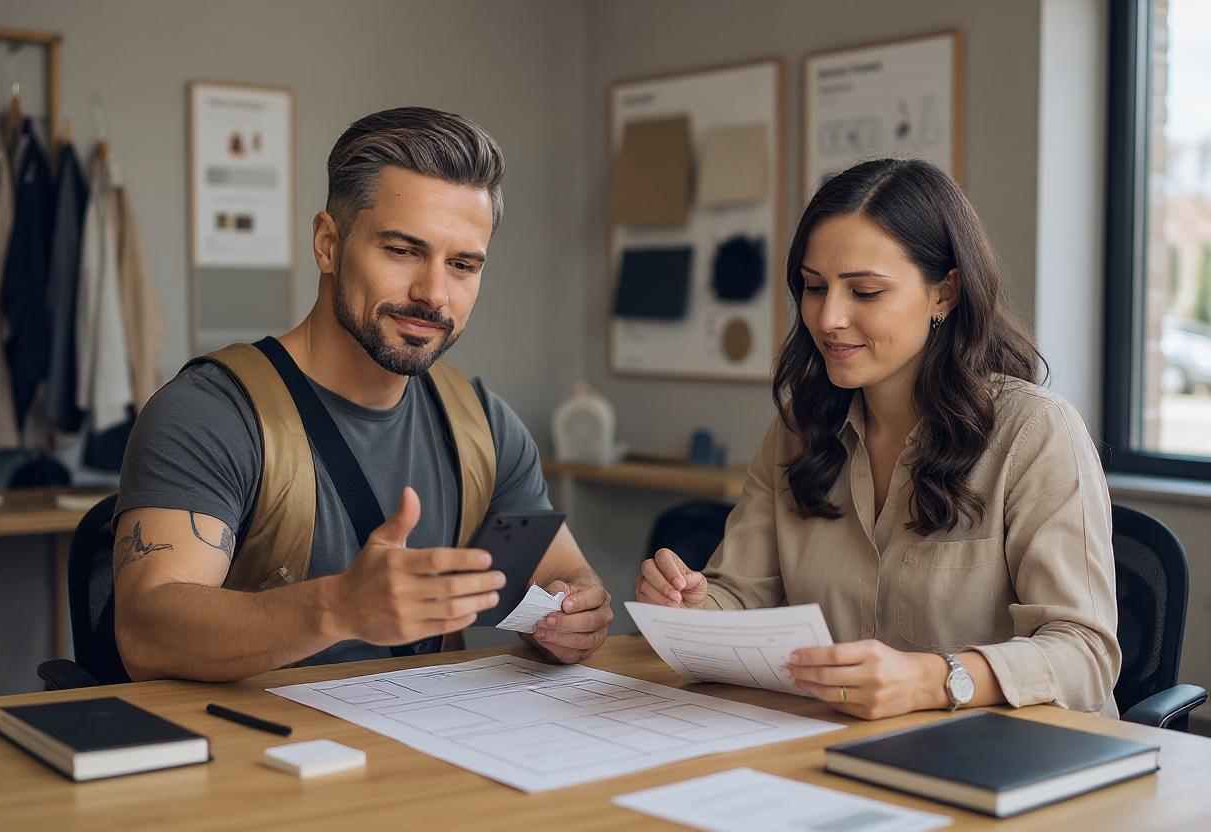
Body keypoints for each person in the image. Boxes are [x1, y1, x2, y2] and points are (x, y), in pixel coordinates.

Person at [113, 107, 612, 682]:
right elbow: (146, 633)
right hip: (252, 737)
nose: (433, 294)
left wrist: (576, 615)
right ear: (328, 244)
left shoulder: (483, 425)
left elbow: (562, 575)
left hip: (430, 732)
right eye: (402, 251)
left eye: (462, 265)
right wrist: (337, 609)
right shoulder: (211, 413)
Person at [636, 158, 1119, 719]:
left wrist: (936, 679)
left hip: (1013, 752)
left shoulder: (1034, 432)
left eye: (865, 292)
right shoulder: (798, 431)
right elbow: (744, 596)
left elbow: (1086, 655)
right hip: (842, 740)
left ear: (944, 293)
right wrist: (691, 608)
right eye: (814, 287)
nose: (828, 318)